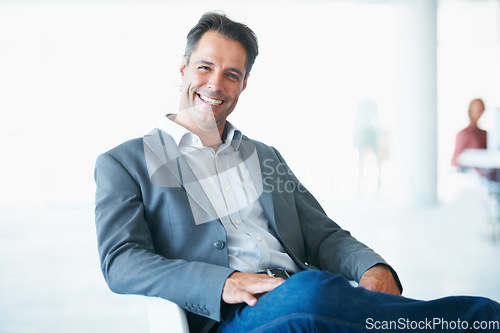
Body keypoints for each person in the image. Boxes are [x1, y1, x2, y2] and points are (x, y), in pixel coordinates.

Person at [94, 12, 500, 333]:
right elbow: (122, 260)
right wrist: (225, 283)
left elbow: (321, 233)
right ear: (182, 69)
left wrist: (370, 266)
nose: (215, 84)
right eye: (205, 67)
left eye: (231, 74)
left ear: (243, 85)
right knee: (311, 292)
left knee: (483, 312)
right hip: (234, 316)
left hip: (306, 298)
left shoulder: (264, 156)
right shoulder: (130, 161)